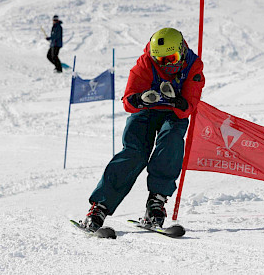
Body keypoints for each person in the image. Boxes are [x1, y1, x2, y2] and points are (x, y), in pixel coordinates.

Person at [83, 28, 206, 232]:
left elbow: (188, 107)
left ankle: (156, 202)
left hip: (174, 112)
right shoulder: (146, 63)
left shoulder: (193, 65)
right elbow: (128, 101)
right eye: (161, 60)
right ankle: (99, 208)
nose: (166, 64)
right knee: (134, 153)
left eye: (171, 58)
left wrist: (175, 100)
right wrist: (139, 99)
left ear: (182, 51)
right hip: (147, 111)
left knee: (171, 143)